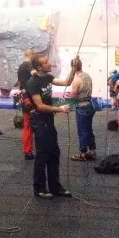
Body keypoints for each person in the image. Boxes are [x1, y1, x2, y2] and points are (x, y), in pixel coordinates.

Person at [25, 54, 73, 199]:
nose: (49, 63)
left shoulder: (47, 77)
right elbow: (39, 106)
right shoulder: (32, 83)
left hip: (48, 120)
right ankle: (39, 188)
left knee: (54, 153)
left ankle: (55, 186)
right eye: (46, 62)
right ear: (39, 67)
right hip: (39, 121)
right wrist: (61, 109)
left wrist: (73, 68)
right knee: (42, 155)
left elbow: (66, 82)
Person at [67, 57, 96, 160]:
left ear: (72, 67)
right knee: (89, 129)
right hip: (90, 105)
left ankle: (83, 153)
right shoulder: (87, 76)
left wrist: (69, 94)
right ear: (81, 65)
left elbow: (74, 96)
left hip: (81, 107)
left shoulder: (76, 80)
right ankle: (92, 151)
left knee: (82, 131)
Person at [16, 49, 35, 160]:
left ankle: (28, 150)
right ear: (31, 55)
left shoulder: (21, 67)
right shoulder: (28, 65)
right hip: (28, 98)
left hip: (25, 96)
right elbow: (35, 74)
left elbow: (19, 82)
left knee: (28, 125)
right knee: (28, 126)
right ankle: (27, 151)